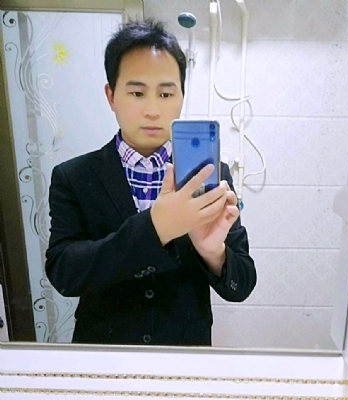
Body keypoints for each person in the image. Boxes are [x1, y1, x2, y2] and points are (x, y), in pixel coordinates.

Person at [45, 19, 257, 346]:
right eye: (137, 92)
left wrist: (214, 253)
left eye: (166, 93)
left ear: (181, 96)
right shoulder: (73, 177)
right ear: (111, 96)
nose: (153, 109)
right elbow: (64, 273)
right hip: (103, 356)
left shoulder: (211, 175)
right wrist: (155, 228)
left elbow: (241, 286)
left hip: (184, 356)